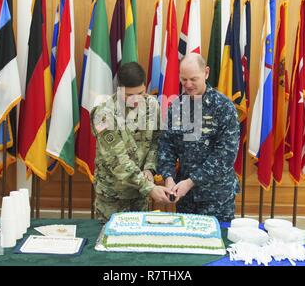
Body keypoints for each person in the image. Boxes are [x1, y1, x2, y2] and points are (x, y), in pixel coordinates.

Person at [158, 53, 240, 222]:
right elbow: (167, 146)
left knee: (217, 244)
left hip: (217, 198)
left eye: (193, 79)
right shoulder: (177, 107)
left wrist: (191, 181)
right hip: (185, 199)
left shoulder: (224, 108)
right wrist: (168, 177)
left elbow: (225, 156)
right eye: (183, 79)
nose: (188, 85)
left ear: (206, 73)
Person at [91, 62, 172, 222]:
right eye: (129, 95)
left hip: (140, 194)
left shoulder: (152, 105)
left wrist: (150, 168)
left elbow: (156, 141)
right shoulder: (103, 115)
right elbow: (118, 161)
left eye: (140, 93)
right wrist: (149, 187)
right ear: (119, 89)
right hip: (113, 196)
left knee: (140, 240)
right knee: (111, 242)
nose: (136, 100)